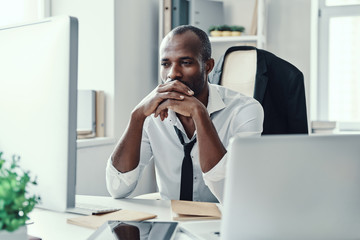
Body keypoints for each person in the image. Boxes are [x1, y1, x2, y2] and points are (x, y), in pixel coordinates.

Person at [106, 25, 264, 203]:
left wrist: (200, 114)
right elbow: (117, 188)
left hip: (220, 223)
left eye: (186, 62)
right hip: (169, 220)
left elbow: (233, 196)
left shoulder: (244, 109)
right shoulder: (151, 113)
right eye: (165, 64)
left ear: (209, 66)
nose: (173, 74)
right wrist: (137, 117)